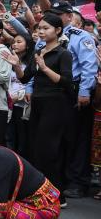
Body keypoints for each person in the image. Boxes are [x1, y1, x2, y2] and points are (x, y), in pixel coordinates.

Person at [41, 1, 98, 200]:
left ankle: (77, 181)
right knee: (57, 137)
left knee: (77, 138)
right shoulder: (45, 37)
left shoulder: (81, 37)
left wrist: (84, 91)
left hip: (74, 90)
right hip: (51, 91)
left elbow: (89, 66)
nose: (55, 17)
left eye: (59, 14)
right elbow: (36, 63)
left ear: (68, 16)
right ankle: (60, 179)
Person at [26, 13, 75, 207]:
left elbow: (67, 82)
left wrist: (45, 68)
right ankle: (40, 192)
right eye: (39, 28)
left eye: (46, 28)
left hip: (56, 104)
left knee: (49, 150)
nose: (41, 32)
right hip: (38, 102)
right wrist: (16, 65)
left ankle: (57, 196)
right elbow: (25, 77)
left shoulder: (63, 54)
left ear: (58, 30)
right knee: (36, 149)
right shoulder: (39, 51)